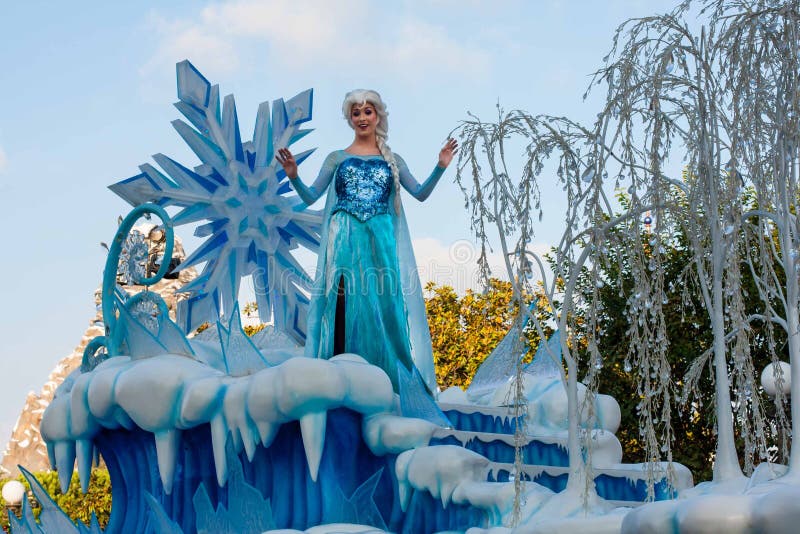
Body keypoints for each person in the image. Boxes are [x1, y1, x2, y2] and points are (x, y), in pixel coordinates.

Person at [276, 89, 457, 393]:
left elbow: (421, 193)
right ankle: (337, 374)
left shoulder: (393, 160)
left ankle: (390, 381)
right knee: (343, 299)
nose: (362, 117)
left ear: (378, 116)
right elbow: (310, 197)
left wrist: (440, 165)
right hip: (344, 238)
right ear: (350, 118)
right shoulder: (337, 158)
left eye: (367, 111)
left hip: (380, 240)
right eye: (356, 113)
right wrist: (294, 176)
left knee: (383, 301)